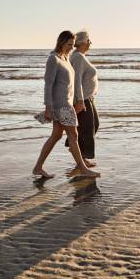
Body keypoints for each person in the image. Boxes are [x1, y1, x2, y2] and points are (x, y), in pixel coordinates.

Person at [32, 30, 100, 179]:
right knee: (73, 135)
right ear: (61, 42)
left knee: (55, 136)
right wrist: (48, 108)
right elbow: (48, 85)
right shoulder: (53, 59)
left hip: (67, 103)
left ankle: (38, 167)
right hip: (61, 105)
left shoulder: (66, 58)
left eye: (73, 44)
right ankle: (83, 168)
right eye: (69, 44)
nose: (71, 47)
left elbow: (73, 82)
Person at [68, 31, 99, 168]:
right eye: (88, 40)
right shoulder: (79, 57)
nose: (90, 42)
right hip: (83, 99)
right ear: (81, 42)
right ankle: (82, 158)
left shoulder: (79, 56)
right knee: (87, 128)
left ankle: (76, 149)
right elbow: (76, 80)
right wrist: (80, 101)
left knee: (91, 125)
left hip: (87, 98)